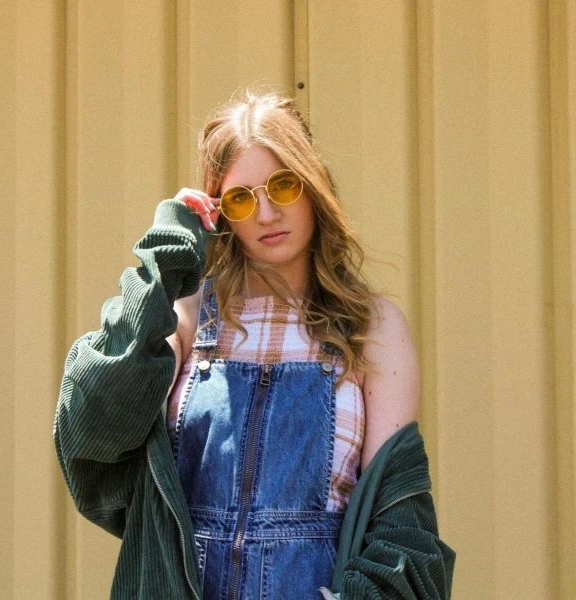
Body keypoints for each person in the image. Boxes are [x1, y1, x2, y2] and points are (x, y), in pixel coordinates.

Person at [54, 89, 455, 600]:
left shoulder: (372, 327)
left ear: (314, 187)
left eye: (283, 187)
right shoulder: (186, 317)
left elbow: (399, 525)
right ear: (220, 212)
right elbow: (93, 431)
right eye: (241, 198)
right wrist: (165, 266)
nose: (265, 213)